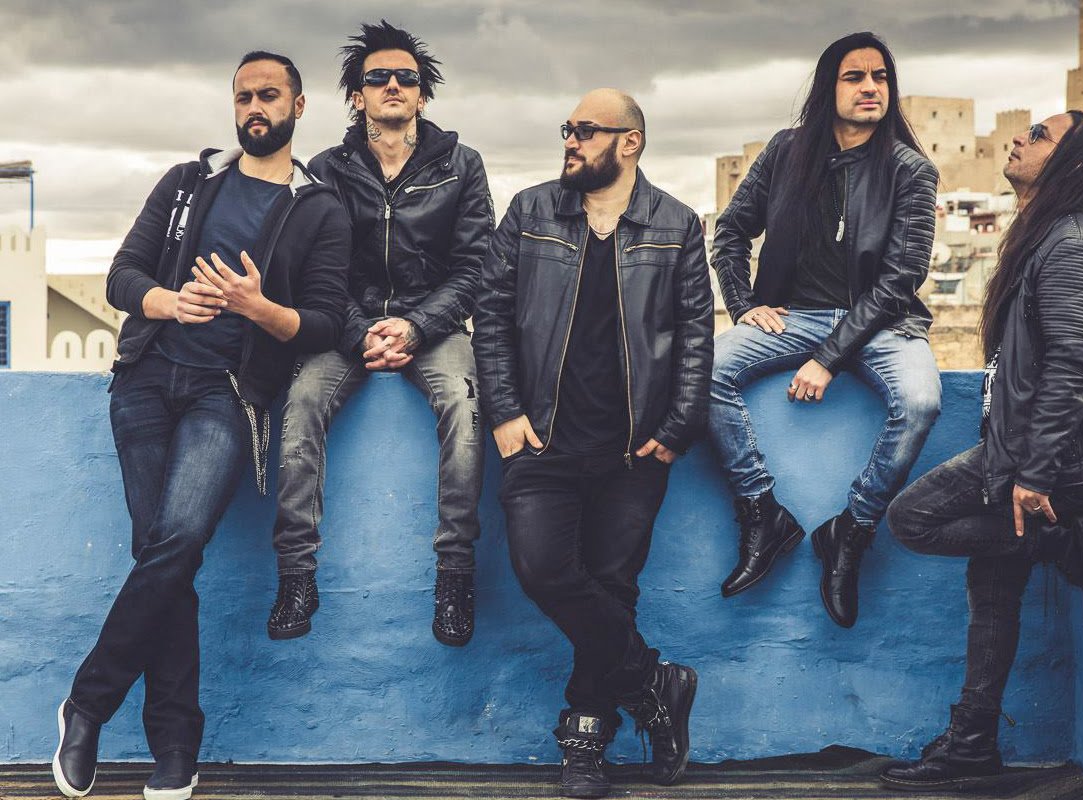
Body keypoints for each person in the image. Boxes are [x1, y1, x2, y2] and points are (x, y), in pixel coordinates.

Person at [52, 52, 350, 800]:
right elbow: (124, 274)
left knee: (178, 539)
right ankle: (177, 747)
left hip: (227, 392)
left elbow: (324, 321)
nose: (254, 107)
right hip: (147, 380)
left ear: (298, 106)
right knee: (162, 554)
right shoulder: (189, 182)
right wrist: (169, 302)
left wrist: (258, 308)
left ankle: (87, 704)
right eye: (243, 96)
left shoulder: (319, 208)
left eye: (269, 95)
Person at [880, 111, 1083, 792]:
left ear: (1071, 164)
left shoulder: (1074, 244)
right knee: (993, 588)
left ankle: (1059, 537)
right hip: (1020, 448)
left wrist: (1036, 473)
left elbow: (1074, 367)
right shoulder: (1043, 236)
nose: (1021, 137)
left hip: (1049, 460)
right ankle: (973, 744)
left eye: (1041, 134)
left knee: (911, 519)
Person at [473, 89, 713, 799]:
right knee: (543, 570)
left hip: (633, 450)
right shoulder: (531, 211)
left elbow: (696, 334)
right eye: (567, 129)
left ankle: (584, 742)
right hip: (541, 440)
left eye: (585, 130)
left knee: (612, 587)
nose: (570, 141)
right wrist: (505, 411)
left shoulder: (676, 224)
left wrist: (678, 427)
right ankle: (655, 683)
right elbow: (491, 312)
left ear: (629, 142)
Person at [266, 20, 493, 646]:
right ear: (356, 95)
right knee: (301, 404)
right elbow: (315, 271)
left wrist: (417, 325)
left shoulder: (461, 166)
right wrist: (360, 331)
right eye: (378, 77)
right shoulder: (326, 171)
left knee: (465, 407)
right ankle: (296, 575)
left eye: (406, 78)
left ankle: (454, 575)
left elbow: (476, 267)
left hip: (434, 325)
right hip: (348, 326)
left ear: (422, 94)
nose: (393, 85)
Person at [709, 32, 941, 627]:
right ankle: (763, 513)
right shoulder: (786, 152)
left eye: (880, 77)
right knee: (705, 371)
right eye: (854, 76)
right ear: (827, 88)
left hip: (882, 322)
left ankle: (851, 531)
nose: (870, 87)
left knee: (920, 401)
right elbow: (730, 231)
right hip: (792, 316)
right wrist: (742, 304)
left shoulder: (910, 170)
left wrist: (828, 358)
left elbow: (901, 279)